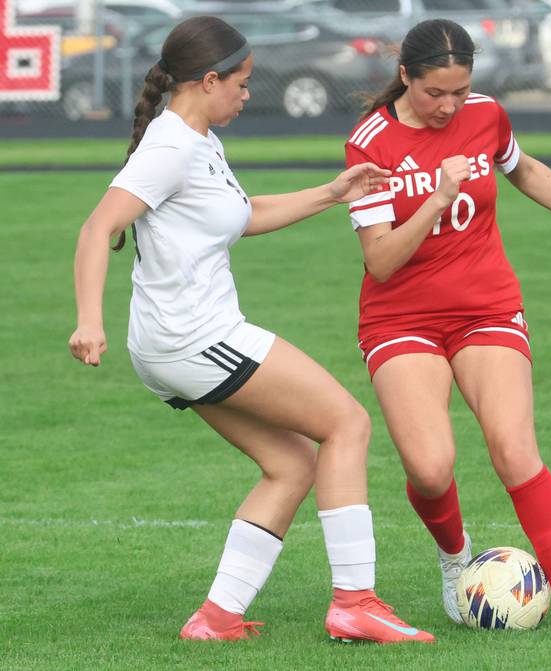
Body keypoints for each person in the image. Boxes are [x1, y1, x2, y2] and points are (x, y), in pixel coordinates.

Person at [68, 16, 434, 645]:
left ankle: (216, 618)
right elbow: (98, 227)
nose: (246, 94)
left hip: (178, 342)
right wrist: (88, 321)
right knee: (347, 423)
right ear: (208, 81)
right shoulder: (170, 148)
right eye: (240, 83)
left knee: (291, 465)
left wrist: (333, 193)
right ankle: (355, 603)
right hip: (194, 338)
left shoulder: (199, 137)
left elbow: (242, 214)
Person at [344, 19, 551, 633]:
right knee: (430, 467)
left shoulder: (486, 115)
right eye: (435, 93)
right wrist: (437, 197)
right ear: (405, 76)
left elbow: (525, 170)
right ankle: (455, 557)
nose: (449, 106)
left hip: (486, 308)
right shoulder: (370, 142)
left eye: (459, 92)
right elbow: (380, 260)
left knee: (515, 450)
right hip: (401, 317)